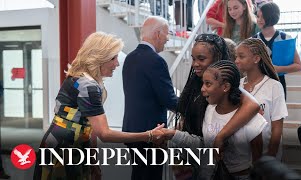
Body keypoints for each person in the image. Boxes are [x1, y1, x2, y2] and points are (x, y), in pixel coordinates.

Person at [33, 32, 165, 180]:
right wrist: (148, 135)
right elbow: (104, 134)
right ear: (99, 58)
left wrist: (93, 161)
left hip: (64, 144)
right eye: (113, 58)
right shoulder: (87, 85)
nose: (117, 63)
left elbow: (87, 127)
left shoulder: (80, 79)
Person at [173, 34, 260, 179]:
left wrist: (221, 136)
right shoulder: (194, 84)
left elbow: (253, 105)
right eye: (194, 59)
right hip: (192, 159)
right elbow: (185, 117)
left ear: (217, 58)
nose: (195, 64)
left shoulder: (224, 86)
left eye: (201, 59)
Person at [122, 16, 178, 180]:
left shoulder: (130, 58)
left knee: (139, 174)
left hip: (133, 130)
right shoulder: (156, 60)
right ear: (158, 34)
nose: (168, 39)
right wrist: (197, 105)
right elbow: (169, 100)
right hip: (151, 134)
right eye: (167, 34)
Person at [236, 38, 288, 160]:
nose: (236, 60)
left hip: (266, 154)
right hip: (241, 155)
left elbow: (277, 126)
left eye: (241, 57)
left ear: (256, 58)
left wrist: (271, 155)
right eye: (236, 56)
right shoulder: (236, 85)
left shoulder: (274, 86)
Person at [253, 2, 301, 99]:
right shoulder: (253, 40)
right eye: (258, 16)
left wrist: (279, 69)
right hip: (258, 84)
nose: (259, 20)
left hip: (279, 83)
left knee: (279, 113)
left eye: (263, 17)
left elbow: (298, 66)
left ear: (272, 16)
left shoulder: (285, 38)